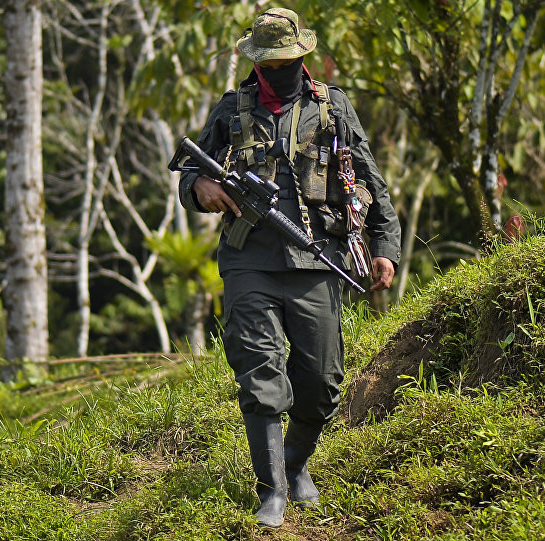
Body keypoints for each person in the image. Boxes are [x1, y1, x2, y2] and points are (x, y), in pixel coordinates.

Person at [178, 7, 402, 529]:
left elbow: (370, 177)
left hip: (317, 257)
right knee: (261, 375)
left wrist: (384, 246)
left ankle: (296, 466)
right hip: (249, 259)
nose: (280, 69)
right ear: (255, 61)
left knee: (322, 382)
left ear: (302, 56)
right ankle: (271, 490)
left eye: (289, 60)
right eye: (271, 61)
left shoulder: (332, 107)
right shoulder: (232, 109)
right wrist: (199, 187)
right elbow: (192, 167)